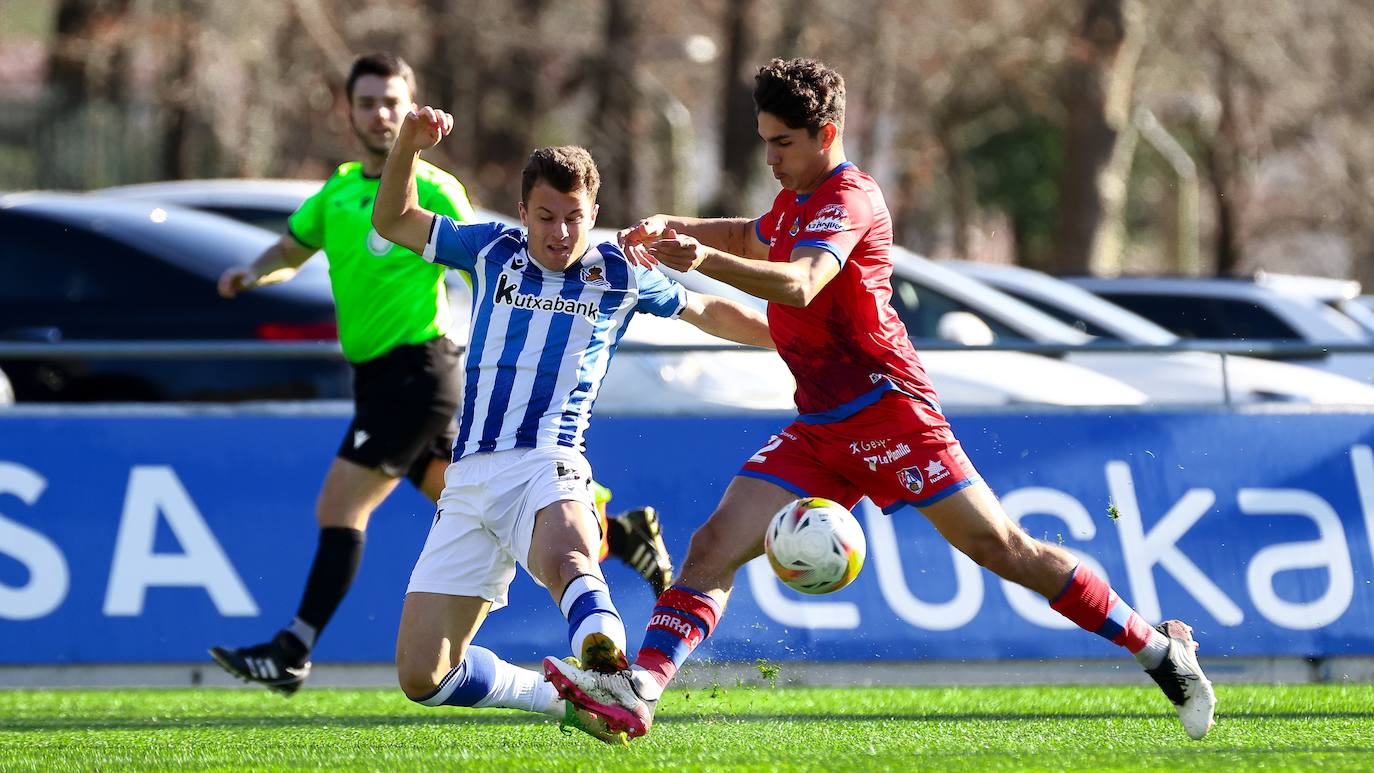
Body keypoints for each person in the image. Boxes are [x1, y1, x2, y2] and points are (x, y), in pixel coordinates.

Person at [545, 57, 1217, 742]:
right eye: (764, 141)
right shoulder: (793, 202)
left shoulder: (849, 198)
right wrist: (671, 226)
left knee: (1004, 547)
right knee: (713, 543)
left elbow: (802, 282)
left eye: (783, 143)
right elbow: (753, 235)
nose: (770, 158)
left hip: (891, 414)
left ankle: (1160, 649)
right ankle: (642, 689)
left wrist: (701, 259)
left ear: (826, 134)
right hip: (822, 430)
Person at [208, 52, 672, 696]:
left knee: (341, 505)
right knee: (486, 502)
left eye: (392, 101)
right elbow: (291, 249)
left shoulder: (433, 186)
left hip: (420, 373)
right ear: (349, 109)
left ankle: (293, 648)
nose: (380, 113)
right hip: (377, 381)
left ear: (410, 105)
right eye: (368, 102)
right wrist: (250, 273)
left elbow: (492, 273)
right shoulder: (336, 191)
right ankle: (615, 536)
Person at [372, 106, 773, 743]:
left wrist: (792, 338)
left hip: (546, 459)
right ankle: (571, 703)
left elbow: (709, 313)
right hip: (468, 478)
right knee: (424, 675)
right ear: (524, 212)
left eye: (574, 217)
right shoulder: (490, 251)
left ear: (593, 211)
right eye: (546, 217)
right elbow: (391, 219)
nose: (560, 233)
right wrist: (407, 150)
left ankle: (614, 670)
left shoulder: (620, 271)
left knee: (570, 561)